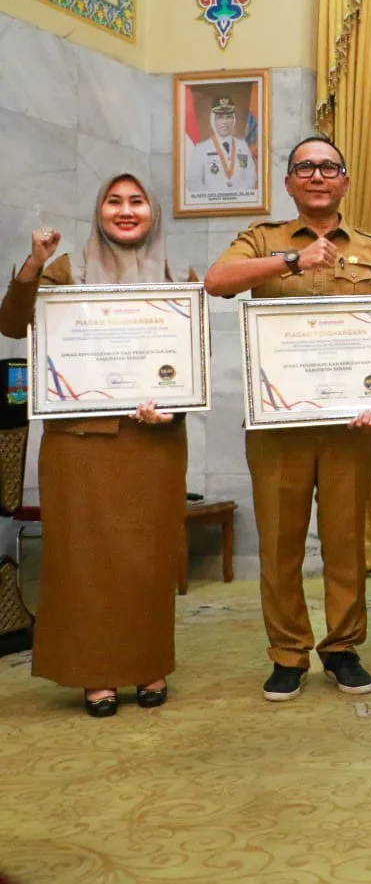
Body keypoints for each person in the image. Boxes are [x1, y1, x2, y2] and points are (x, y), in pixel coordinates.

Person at [204, 136, 371, 702]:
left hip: (350, 426)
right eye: (305, 168)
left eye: (328, 167)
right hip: (279, 423)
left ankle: (342, 649)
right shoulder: (261, 239)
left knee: (346, 541)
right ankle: (288, 653)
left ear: (345, 181)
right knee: (280, 542)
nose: (317, 176)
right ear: (290, 182)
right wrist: (293, 259)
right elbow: (217, 282)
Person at [0, 174, 192, 717]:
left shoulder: (179, 277)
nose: (125, 211)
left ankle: (148, 664)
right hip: (79, 444)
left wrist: (175, 406)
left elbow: (191, 364)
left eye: (137, 202)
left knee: (150, 559)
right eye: (114, 201)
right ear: (98, 210)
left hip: (154, 442)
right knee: (84, 561)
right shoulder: (64, 271)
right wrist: (34, 262)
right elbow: (12, 324)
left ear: (153, 212)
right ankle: (96, 673)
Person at [186, 95, 258, 201]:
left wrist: (238, 198)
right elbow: (193, 182)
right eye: (220, 117)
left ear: (233, 119)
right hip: (211, 205)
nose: (225, 122)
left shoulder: (243, 146)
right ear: (213, 120)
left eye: (228, 117)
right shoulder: (201, 149)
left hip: (239, 204)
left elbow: (251, 177)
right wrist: (212, 200)